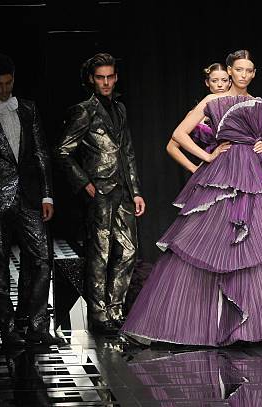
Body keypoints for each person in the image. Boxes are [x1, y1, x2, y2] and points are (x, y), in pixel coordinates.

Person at [122, 49, 262, 346]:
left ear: (254, 74)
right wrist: (207, 155)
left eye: (249, 70)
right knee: (215, 238)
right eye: (239, 69)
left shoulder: (260, 104)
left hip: (256, 172)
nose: (243, 74)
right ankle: (209, 323)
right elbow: (179, 134)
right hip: (224, 172)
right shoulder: (212, 101)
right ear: (229, 71)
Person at [0, 54, 62, 346]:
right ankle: (8, 330)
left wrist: (47, 194)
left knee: (43, 260)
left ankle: (36, 326)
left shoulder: (29, 109)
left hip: (31, 197)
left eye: (9, 83)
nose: (5, 90)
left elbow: (42, 153)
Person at [55, 53, 146, 334]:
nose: (106, 82)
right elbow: (62, 150)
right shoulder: (84, 110)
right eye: (100, 77)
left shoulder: (119, 108)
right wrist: (84, 183)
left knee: (130, 250)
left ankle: (116, 309)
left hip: (122, 189)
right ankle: (98, 314)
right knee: (100, 252)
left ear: (116, 77)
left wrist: (137, 191)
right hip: (99, 191)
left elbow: (128, 152)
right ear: (91, 80)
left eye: (110, 77)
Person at [166, 62, 230, 173]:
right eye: (214, 81)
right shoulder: (195, 114)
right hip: (210, 172)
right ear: (207, 83)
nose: (220, 85)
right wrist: (194, 167)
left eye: (224, 80)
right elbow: (171, 147)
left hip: (236, 166)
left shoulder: (238, 108)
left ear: (230, 82)